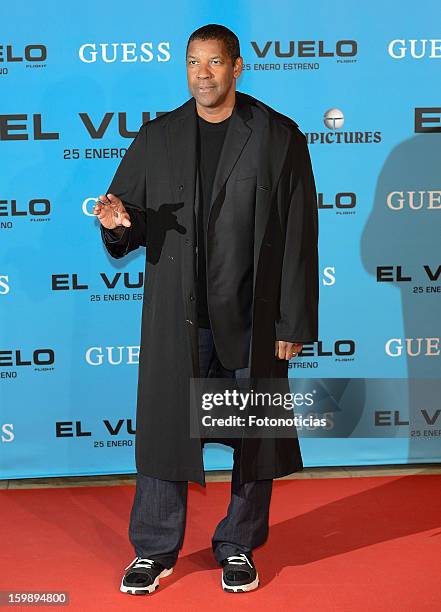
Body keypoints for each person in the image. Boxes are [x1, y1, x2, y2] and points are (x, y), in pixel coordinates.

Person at [93, 23, 318, 595]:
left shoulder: (277, 135)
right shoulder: (158, 137)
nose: (202, 74)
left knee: (250, 433)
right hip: (179, 314)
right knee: (169, 429)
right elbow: (131, 215)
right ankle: (153, 550)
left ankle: (238, 544)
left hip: (253, 312)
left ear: (237, 67)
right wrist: (121, 223)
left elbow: (299, 234)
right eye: (194, 62)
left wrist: (293, 322)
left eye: (214, 63)